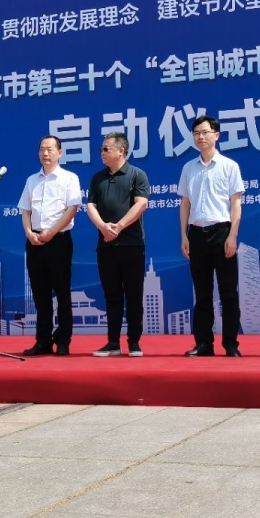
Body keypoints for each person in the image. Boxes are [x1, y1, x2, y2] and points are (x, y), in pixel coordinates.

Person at [178, 115, 244, 357]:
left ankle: (231, 344)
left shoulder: (229, 166)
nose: (200, 137)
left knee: (228, 293)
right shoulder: (188, 168)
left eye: (205, 132)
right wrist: (184, 235)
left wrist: (232, 235)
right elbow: (185, 204)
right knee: (202, 294)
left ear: (216, 135)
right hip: (196, 234)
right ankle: (204, 343)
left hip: (222, 233)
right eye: (196, 133)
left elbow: (236, 204)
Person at [87, 132, 150, 357]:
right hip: (106, 245)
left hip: (132, 245)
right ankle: (113, 343)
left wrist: (119, 226)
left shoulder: (137, 174)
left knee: (134, 295)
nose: (102, 153)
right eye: (101, 149)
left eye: (106, 149)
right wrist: (103, 227)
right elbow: (91, 206)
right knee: (112, 296)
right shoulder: (98, 178)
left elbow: (141, 204)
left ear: (121, 151)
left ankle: (134, 342)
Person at [18, 135, 82, 356]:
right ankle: (43, 340)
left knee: (62, 292)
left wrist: (51, 232)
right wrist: (29, 232)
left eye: (50, 149)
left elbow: (72, 209)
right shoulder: (31, 180)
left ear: (60, 153)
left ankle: (63, 340)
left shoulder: (69, 178)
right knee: (40, 294)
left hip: (59, 240)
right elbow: (25, 210)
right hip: (35, 242)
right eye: (42, 149)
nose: (45, 153)